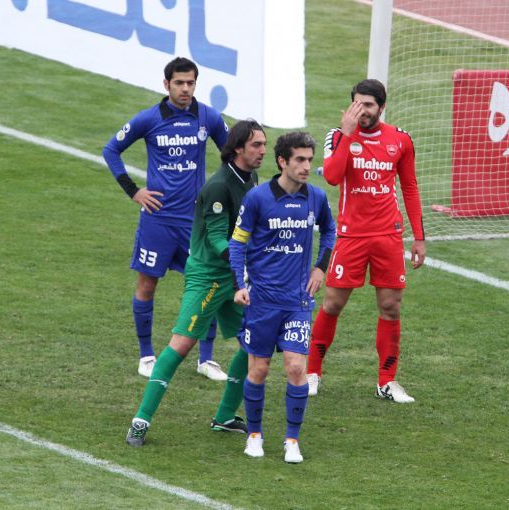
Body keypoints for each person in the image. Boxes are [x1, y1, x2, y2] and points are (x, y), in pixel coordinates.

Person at [126, 119, 268, 447]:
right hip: (209, 277)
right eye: (256, 145)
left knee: (254, 341)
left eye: (264, 144)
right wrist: (242, 266)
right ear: (238, 148)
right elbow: (218, 239)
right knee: (181, 344)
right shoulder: (219, 186)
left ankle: (224, 416)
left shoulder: (250, 178)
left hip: (234, 275)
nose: (263, 151)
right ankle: (141, 421)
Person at [103, 56, 227, 381]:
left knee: (208, 285)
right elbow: (111, 150)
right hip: (157, 221)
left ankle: (206, 359)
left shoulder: (209, 118)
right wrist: (134, 191)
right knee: (147, 285)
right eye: (179, 83)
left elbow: (233, 156)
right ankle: (146, 355)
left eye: (190, 83)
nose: (185, 89)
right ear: (166, 84)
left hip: (194, 223)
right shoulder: (149, 119)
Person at [306, 79, 426, 403]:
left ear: (382, 107)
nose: (362, 111)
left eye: (369, 105)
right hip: (352, 236)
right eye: (357, 104)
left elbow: (410, 188)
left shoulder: (400, 140)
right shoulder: (337, 136)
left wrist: (419, 237)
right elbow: (333, 176)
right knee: (333, 304)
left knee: (390, 307)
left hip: (388, 236)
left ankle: (387, 381)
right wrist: (347, 134)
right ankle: (312, 372)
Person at [229, 132, 335, 463]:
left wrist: (320, 268)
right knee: (259, 370)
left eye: (309, 160)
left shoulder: (316, 198)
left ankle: (292, 440)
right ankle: (255, 435)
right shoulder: (257, 198)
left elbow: (330, 231)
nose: (306, 166)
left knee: (296, 367)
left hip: (297, 302)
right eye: (300, 160)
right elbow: (237, 242)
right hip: (261, 301)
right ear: (282, 161)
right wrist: (239, 284)